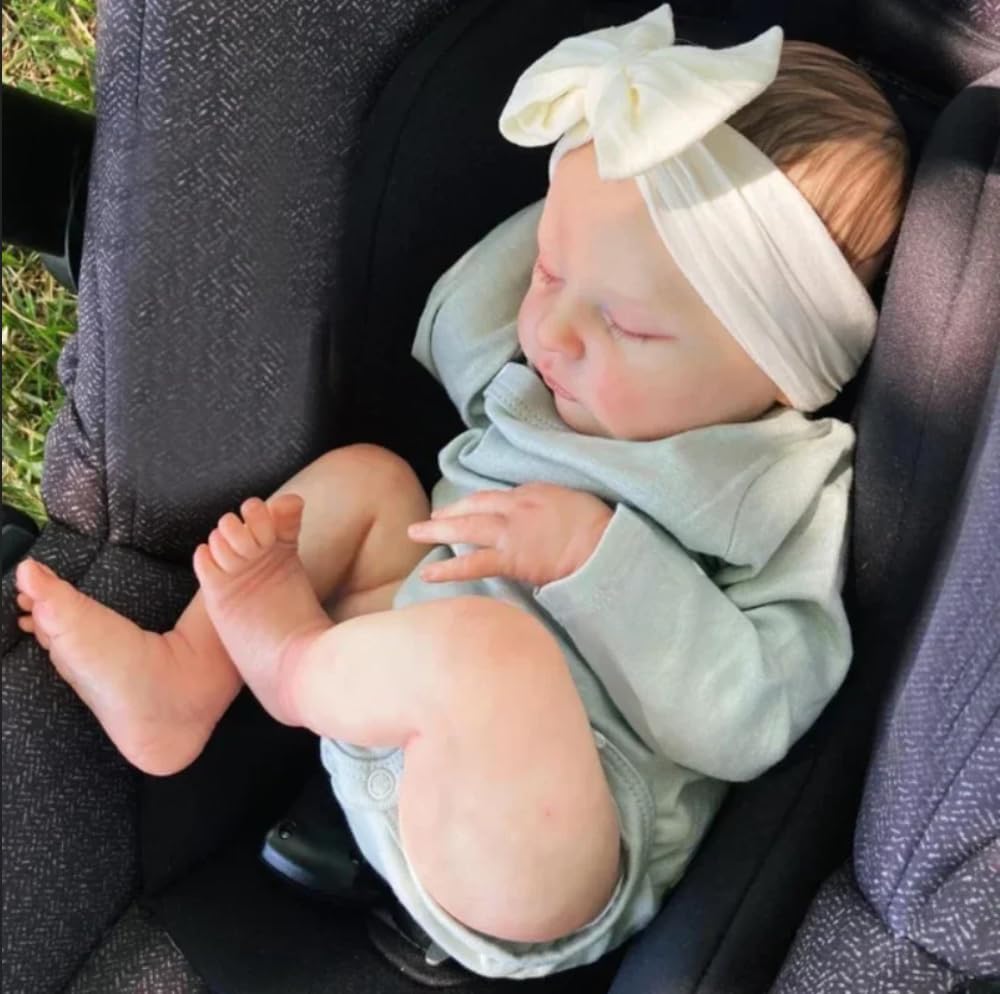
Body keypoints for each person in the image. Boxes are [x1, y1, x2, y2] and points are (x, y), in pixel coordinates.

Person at [13, 6, 909, 980]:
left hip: (544, 845)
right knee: (371, 481)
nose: (551, 333)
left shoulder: (772, 482)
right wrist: (584, 216)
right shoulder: (543, 378)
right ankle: (184, 681)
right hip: (402, 684)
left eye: (629, 327)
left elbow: (756, 718)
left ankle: (289, 663)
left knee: (491, 654)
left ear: (782, 369)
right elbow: (461, 315)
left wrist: (595, 560)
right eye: (549, 273)